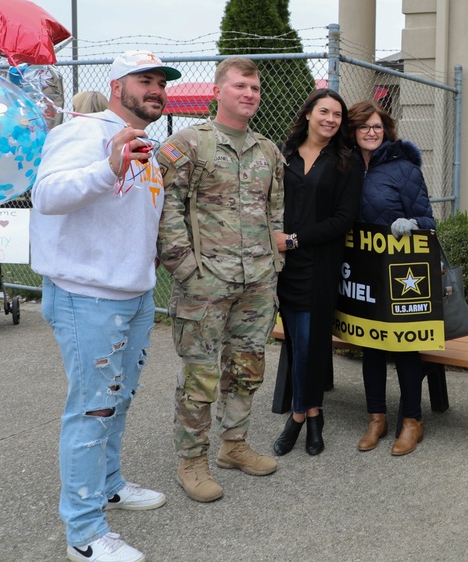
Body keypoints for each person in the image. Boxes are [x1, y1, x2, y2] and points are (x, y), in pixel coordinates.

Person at [31, 50, 180, 562]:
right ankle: (85, 532)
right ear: (117, 86)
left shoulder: (145, 144)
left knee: (117, 400)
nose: (157, 88)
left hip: (133, 295)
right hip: (87, 297)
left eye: (162, 81)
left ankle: (110, 484)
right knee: (91, 409)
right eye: (146, 79)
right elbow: (46, 194)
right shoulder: (85, 132)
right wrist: (107, 166)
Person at [156, 57, 284, 503]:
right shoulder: (188, 144)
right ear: (218, 91)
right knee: (201, 373)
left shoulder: (267, 151)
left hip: (257, 284)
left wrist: (273, 266)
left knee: (246, 368)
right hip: (206, 284)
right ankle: (191, 461)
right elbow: (166, 212)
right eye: (239, 86)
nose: (249, 93)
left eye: (254, 87)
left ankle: (234, 445)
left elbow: (275, 213)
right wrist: (186, 269)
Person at [271, 88, 363, 457]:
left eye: (337, 115)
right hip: (284, 267)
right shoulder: (284, 154)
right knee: (296, 341)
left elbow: (344, 219)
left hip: (321, 263)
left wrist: (294, 239)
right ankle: (314, 414)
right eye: (324, 111)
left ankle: (298, 416)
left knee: (311, 341)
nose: (330, 119)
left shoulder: (346, 160)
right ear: (308, 114)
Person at [348, 100, 436, 456]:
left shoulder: (404, 169)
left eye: (377, 126)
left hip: (402, 273)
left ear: (386, 130)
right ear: (351, 132)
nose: (371, 132)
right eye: (363, 126)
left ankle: (412, 421)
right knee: (370, 344)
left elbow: (429, 221)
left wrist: (411, 224)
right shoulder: (345, 166)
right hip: (363, 269)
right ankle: (376, 418)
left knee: (405, 348)